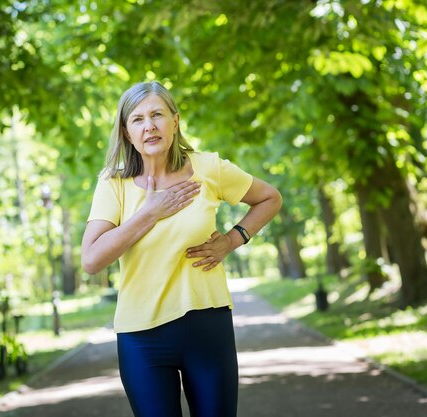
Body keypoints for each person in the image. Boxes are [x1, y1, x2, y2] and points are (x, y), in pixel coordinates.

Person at [82, 81, 282, 417]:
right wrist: (150, 212)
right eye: (138, 119)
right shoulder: (112, 184)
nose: (150, 126)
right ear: (127, 132)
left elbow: (270, 198)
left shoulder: (208, 168)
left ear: (174, 121)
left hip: (207, 325)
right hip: (142, 337)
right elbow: (91, 260)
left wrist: (233, 240)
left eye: (157, 115)